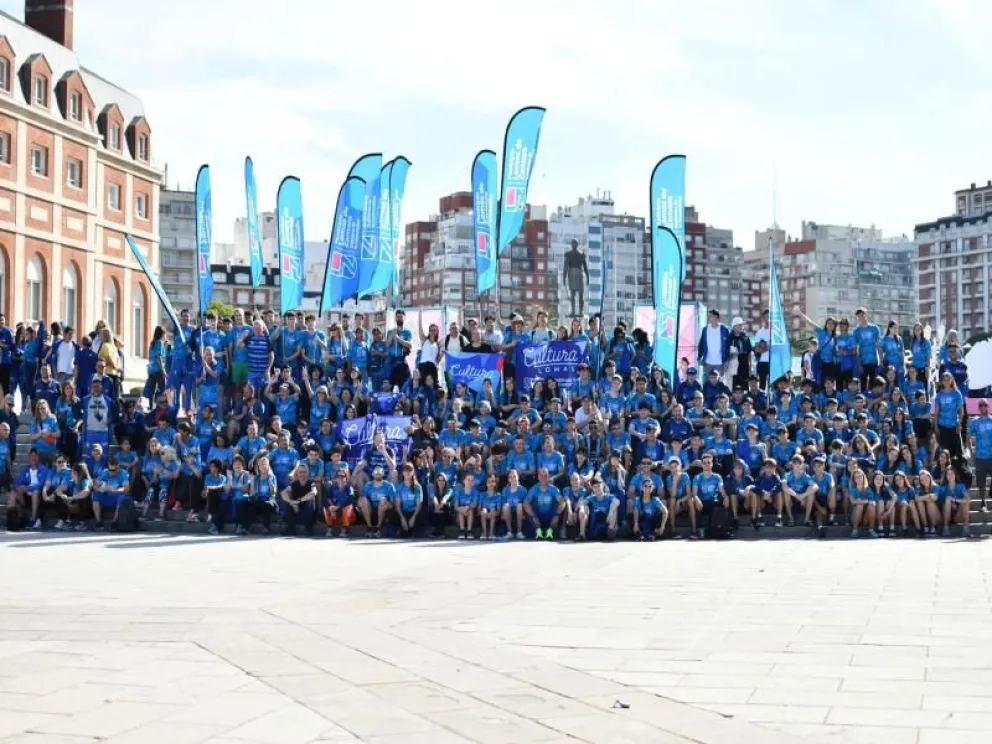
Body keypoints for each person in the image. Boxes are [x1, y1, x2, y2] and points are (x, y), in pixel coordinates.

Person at [280, 462, 317, 536]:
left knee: (311, 502)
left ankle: (308, 528)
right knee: (286, 503)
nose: (302, 474)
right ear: (297, 473)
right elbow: (283, 493)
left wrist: (299, 501)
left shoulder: (311, 483)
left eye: (304, 472)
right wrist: (291, 502)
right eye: (300, 472)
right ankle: (291, 529)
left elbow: (314, 492)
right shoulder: (294, 484)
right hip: (296, 510)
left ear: (308, 473)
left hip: (307, 512)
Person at [968, 399, 992, 512]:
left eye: (985, 405)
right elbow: (968, 436)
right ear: (978, 407)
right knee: (981, 482)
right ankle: (983, 503)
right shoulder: (975, 421)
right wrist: (971, 452)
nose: (983, 407)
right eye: (980, 405)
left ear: (988, 406)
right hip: (980, 457)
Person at [697, 309, 730, 380]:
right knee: (706, 383)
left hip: (720, 363)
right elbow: (701, 344)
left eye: (711, 315)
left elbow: (728, 346)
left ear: (716, 317)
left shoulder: (724, 330)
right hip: (708, 362)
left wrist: (727, 361)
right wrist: (699, 357)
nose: (710, 317)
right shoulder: (705, 329)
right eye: (709, 316)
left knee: (719, 384)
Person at [394, 463, 424, 539]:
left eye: (409, 470)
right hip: (403, 512)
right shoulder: (399, 486)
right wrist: (402, 518)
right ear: (403, 472)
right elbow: (397, 505)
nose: (407, 472)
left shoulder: (418, 487)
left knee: (421, 515)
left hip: (414, 512)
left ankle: (412, 531)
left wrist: (413, 517)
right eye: (405, 470)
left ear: (413, 472)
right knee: (394, 514)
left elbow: (419, 505)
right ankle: (403, 530)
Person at [939, 466, 971, 538]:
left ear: (955, 475)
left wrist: (955, 500)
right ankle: (945, 528)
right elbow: (939, 503)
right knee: (947, 500)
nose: (950, 476)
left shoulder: (961, 486)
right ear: (946, 477)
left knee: (965, 503)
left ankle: (966, 528)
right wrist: (950, 503)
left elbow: (968, 499)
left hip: (957, 515)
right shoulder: (943, 487)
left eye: (952, 474)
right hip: (946, 515)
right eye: (948, 474)